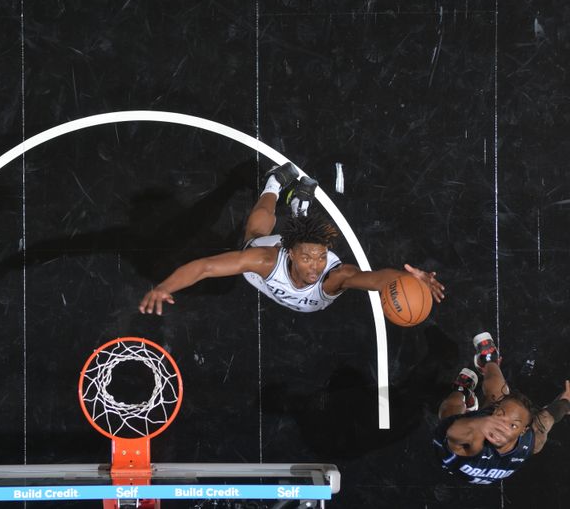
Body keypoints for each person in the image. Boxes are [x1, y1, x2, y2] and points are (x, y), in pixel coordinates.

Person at [138, 162, 444, 315]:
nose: (316, 266)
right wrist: (165, 286)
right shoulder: (265, 260)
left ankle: (299, 209)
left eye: (321, 256)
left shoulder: (333, 277)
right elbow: (204, 267)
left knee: (301, 232)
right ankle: (273, 184)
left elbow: (376, 279)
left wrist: (407, 282)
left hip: (304, 294)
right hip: (264, 276)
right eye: (308, 258)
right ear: (290, 253)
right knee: (254, 235)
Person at [433, 332, 570, 484]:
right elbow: (549, 416)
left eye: (513, 425)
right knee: (499, 394)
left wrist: (476, 424)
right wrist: (566, 403)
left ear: (523, 430)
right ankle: (489, 362)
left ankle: (461, 391)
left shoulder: (471, 438)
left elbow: (450, 431)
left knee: (448, 414)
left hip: (454, 458)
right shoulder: (532, 439)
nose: (502, 426)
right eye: (500, 415)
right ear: (495, 411)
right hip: (478, 425)